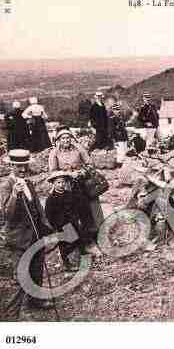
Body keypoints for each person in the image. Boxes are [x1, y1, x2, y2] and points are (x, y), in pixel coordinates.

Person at [0, 149, 54, 310]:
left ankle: (35, 301)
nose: (23, 170)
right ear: (11, 166)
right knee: (21, 275)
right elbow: (6, 215)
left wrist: (46, 228)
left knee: (37, 270)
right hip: (18, 238)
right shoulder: (6, 186)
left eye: (25, 166)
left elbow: (38, 208)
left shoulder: (29, 183)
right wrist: (15, 196)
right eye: (18, 167)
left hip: (36, 234)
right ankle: (12, 313)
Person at [48, 129, 103, 256]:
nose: (66, 140)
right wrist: (66, 175)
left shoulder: (78, 148)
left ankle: (91, 241)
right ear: (58, 140)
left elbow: (90, 164)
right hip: (65, 187)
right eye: (63, 138)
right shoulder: (54, 153)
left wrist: (80, 172)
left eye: (68, 138)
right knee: (69, 216)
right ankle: (74, 245)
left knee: (87, 212)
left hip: (82, 184)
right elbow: (53, 172)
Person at [45, 171, 92, 272]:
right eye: (58, 183)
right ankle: (68, 264)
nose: (61, 185)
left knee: (79, 239)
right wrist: (57, 225)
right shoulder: (51, 199)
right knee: (65, 245)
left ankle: (83, 259)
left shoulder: (69, 194)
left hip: (73, 221)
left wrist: (76, 218)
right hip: (61, 225)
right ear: (53, 184)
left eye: (63, 182)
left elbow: (77, 207)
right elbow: (49, 215)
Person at [108, 102, 128, 168]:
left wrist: (126, 137)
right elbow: (111, 131)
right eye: (115, 110)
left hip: (124, 137)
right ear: (113, 110)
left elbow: (124, 128)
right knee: (120, 152)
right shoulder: (112, 119)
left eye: (118, 109)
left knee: (124, 152)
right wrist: (114, 140)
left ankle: (122, 166)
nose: (117, 111)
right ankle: (119, 167)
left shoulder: (121, 118)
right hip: (118, 138)